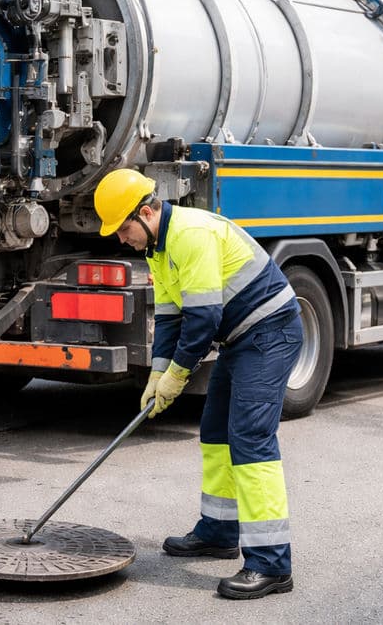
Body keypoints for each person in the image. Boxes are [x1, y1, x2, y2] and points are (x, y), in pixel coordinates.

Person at [93, 168, 303, 600]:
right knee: (215, 431)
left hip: (270, 332)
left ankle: (271, 564)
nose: (120, 239)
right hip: (241, 338)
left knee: (250, 438)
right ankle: (218, 532)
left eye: (122, 228)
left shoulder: (190, 233)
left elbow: (203, 318)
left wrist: (177, 376)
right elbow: (170, 318)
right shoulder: (158, 248)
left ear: (147, 212)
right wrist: (156, 373)